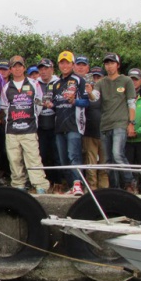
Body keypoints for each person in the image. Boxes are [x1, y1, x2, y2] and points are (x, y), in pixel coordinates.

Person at [86, 52, 137, 192]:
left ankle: (129, 182)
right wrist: (89, 91)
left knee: (117, 154)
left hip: (120, 123)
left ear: (118, 65)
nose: (109, 66)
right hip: (105, 124)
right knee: (108, 160)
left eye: (112, 63)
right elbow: (94, 97)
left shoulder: (126, 81)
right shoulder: (101, 82)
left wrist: (131, 123)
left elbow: (131, 103)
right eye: (107, 63)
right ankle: (114, 188)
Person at [0, 56, 50, 194]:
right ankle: (18, 185)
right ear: (10, 69)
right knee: (14, 160)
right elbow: (5, 107)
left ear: (24, 67)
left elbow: (39, 104)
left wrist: (29, 117)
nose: (17, 68)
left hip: (29, 128)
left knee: (33, 157)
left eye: (19, 65)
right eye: (14, 66)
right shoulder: (5, 88)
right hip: (12, 130)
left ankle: (40, 185)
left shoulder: (34, 84)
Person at [45, 51, 87, 196]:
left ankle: (78, 185)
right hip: (59, 126)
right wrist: (50, 105)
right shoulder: (56, 84)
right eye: (62, 62)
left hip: (74, 124)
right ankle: (71, 186)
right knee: (63, 159)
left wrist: (75, 101)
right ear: (58, 65)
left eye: (67, 62)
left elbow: (88, 101)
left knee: (73, 155)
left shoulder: (79, 80)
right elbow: (56, 103)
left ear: (72, 64)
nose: (64, 65)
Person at [35, 58, 61, 189]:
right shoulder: (35, 84)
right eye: (41, 69)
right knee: (42, 155)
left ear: (52, 69)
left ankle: (58, 183)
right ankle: (46, 182)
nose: (43, 71)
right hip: (40, 126)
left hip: (56, 125)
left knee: (57, 155)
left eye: (46, 68)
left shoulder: (59, 82)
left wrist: (53, 105)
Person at [82, 66, 109, 190]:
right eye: (94, 77)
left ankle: (104, 189)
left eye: (99, 77)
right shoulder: (85, 92)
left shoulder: (108, 92)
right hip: (89, 132)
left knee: (104, 164)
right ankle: (91, 189)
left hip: (104, 132)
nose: (96, 79)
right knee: (90, 164)